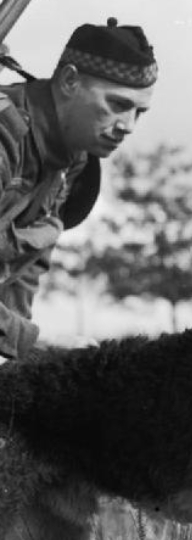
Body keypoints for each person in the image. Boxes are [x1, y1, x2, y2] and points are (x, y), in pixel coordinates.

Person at [0, 17, 157, 359]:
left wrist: (14, 364)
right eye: (117, 105)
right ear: (70, 80)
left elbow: (24, 269)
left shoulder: (73, 159)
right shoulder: (4, 138)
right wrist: (29, 343)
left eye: (139, 113)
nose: (128, 127)